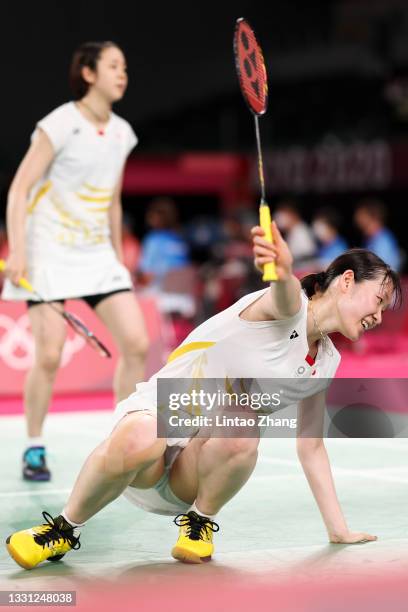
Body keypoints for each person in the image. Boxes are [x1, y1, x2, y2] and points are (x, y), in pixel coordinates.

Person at [6, 220, 401, 570]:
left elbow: (310, 446)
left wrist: (338, 529)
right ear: (346, 280)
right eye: (378, 301)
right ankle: (61, 529)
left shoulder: (326, 363)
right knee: (143, 436)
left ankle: (200, 523)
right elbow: (283, 293)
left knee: (243, 416)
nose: (379, 317)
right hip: (157, 428)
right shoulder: (290, 305)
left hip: (195, 474)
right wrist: (281, 268)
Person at [2, 41, 149, 482]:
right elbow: (19, 189)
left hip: (96, 255)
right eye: (113, 66)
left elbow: (112, 199)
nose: (122, 73)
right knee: (46, 355)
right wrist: (20, 251)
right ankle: (33, 446)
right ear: (88, 73)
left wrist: (118, 255)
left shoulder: (122, 132)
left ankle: (121, 442)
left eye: (125, 66)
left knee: (137, 344)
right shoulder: (61, 123)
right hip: (48, 252)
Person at [354, 199, 402, 271]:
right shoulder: (369, 238)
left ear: (374, 216)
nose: (356, 217)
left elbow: (385, 270)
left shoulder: (383, 240)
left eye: (361, 214)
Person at [274, 200, 317, 268]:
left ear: (293, 215)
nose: (280, 219)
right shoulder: (291, 232)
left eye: (283, 215)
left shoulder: (301, 232)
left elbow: (308, 256)